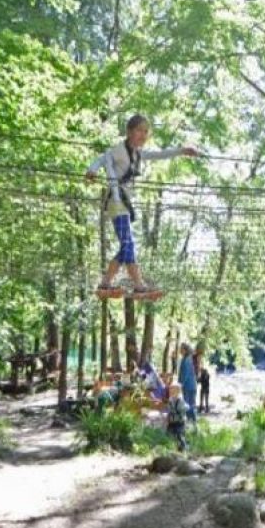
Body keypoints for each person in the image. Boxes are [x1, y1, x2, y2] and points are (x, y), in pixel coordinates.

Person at [86, 115, 199, 297]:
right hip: (116, 201)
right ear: (129, 132)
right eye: (139, 130)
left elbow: (160, 154)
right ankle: (138, 285)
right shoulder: (119, 150)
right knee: (128, 243)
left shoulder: (138, 154)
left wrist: (182, 150)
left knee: (126, 245)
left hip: (123, 203)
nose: (143, 134)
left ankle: (105, 284)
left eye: (146, 131)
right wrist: (92, 170)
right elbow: (103, 158)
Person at [177, 342, 197, 423]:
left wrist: (180, 384)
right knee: (192, 404)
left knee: (188, 405)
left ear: (185, 350)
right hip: (192, 385)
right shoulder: (189, 359)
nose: (180, 350)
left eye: (181, 349)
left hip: (188, 386)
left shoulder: (185, 360)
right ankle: (193, 423)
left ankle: (190, 423)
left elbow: (184, 374)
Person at [166, 382, 189, 451]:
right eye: (170, 390)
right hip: (172, 421)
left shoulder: (180, 400)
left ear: (178, 391)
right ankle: (173, 447)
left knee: (180, 435)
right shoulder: (171, 399)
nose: (171, 392)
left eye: (173, 390)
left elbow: (185, 407)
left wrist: (180, 410)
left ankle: (183, 448)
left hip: (179, 421)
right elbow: (169, 409)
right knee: (170, 434)